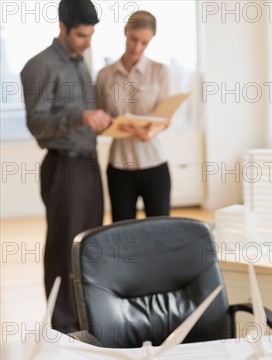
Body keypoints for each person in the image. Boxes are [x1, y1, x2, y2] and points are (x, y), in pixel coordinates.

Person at [20, 0, 112, 334]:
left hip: (89, 163)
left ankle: (85, 321)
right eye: (81, 36)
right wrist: (80, 116)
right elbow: (37, 123)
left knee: (87, 245)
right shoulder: (40, 65)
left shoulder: (79, 62)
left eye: (90, 35)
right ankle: (63, 328)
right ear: (62, 27)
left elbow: (84, 112)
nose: (87, 42)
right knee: (63, 247)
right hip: (64, 167)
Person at [96, 10, 171, 221]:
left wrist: (148, 131)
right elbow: (100, 118)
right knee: (121, 233)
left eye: (144, 43)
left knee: (159, 230)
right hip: (119, 167)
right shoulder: (104, 75)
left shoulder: (160, 72)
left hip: (154, 165)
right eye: (133, 39)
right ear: (125, 32)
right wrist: (110, 124)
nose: (137, 47)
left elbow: (166, 118)